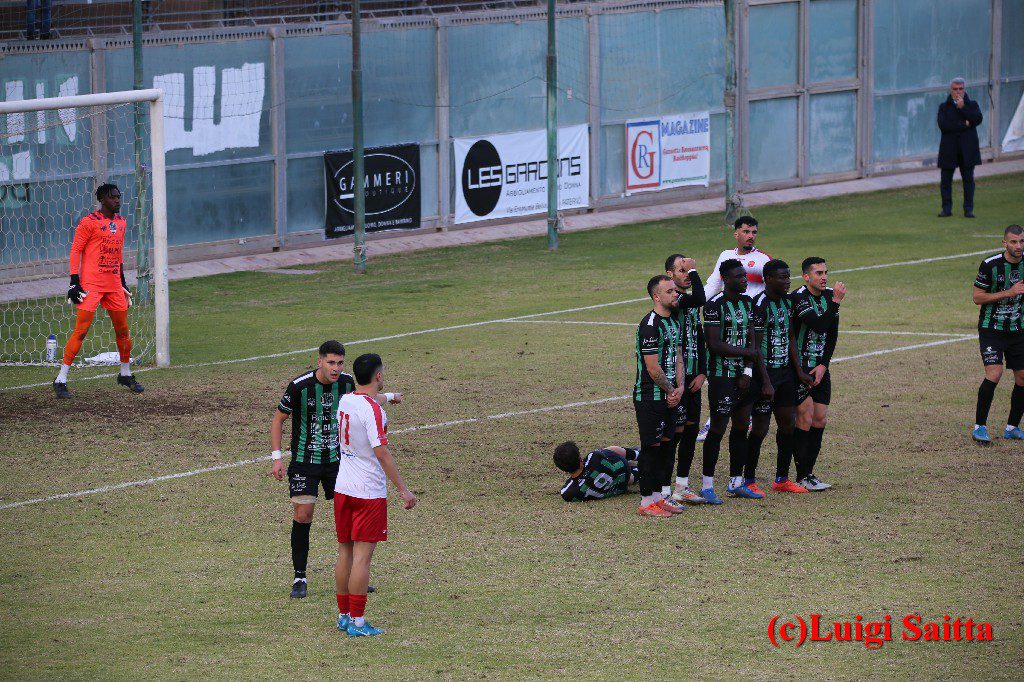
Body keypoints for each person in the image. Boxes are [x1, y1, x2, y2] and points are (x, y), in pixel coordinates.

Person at [270, 341, 401, 599]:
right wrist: (277, 458)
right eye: (331, 362)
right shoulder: (300, 386)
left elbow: (366, 398)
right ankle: (300, 577)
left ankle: (355, 577)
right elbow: (278, 420)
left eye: (340, 363)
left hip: (338, 462)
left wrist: (390, 396)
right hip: (305, 462)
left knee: (350, 516)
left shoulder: (347, 382)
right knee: (303, 515)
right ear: (319, 361)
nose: (336, 368)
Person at [333, 353, 417, 637]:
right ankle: (358, 622)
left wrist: (390, 396)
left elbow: (371, 399)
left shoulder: (346, 400)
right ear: (378, 376)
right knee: (362, 559)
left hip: (343, 488)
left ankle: (344, 615)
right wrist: (403, 490)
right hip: (368, 492)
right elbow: (382, 452)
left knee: (345, 552)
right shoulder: (373, 411)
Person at [53, 184, 142, 399]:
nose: (117, 200)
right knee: (81, 331)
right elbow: (76, 250)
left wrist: (122, 282)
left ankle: (125, 374)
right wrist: (74, 281)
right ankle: (60, 379)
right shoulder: (88, 222)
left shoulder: (121, 222)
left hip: (113, 285)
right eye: (112, 197)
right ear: (102, 199)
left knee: (123, 331)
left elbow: (118, 254)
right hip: (91, 285)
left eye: (119, 197)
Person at [702, 259, 770, 503]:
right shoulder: (713, 305)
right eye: (739, 277)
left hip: (744, 376)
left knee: (741, 427)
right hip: (722, 376)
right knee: (717, 430)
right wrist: (747, 353)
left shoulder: (747, 302)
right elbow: (714, 344)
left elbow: (752, 339)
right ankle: (707, 486)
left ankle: (736, 482)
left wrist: (748, 371)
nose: (744, 280)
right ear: (726, 279)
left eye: (745, 276)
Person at [699, 216, 772, 442]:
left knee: (748, 371)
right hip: (726, 322)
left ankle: (745, 415)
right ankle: (716, 418)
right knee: (723, 373)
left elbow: (773, 288)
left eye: (754, 232)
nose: (751, 236)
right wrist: (695, 302)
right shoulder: (725, 256)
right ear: (736, 233)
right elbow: (714, 283)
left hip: (751, 326)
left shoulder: (763, 260)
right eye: (746, 231)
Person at [749, 260, 812, 494]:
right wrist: (765, 382)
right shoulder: (759, 305)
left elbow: (791, 336)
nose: (787, 281)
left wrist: (799, 371)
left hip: (786, 374)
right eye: (782, 277)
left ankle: (781, 479)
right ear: (768, 279)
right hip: (765, 375)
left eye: (788, 276)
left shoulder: (788, 302)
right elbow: (755, 347)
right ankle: (748, 479)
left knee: (788, 426)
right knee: (760, 429)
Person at [632, 275, 686, 518]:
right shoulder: (650, 325)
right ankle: (646, 502)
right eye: (670, 291)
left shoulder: (673, 320)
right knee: (651, 449)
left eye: (675, 290)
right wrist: (671, 390)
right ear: (656, 296)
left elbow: (678, 356)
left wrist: (680, 388)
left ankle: (657, 498)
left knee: (665, 448)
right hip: (650, 397)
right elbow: (653, 369)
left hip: (671, 395)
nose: (676, 294)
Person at [791, 257, 846, 490]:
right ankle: (801, 475)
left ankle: (809, 473)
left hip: (820, 368)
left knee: (820, 418)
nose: (824, 277)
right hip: (799, 368)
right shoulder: (798, 298)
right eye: (818, 273)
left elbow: (831, 333)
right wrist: (836, 302)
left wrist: (824, 364)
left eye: (825, 272)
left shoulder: (829, 296)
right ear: (806, 276)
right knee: (805, 416)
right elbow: (818, 324)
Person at [971, 225, 1024, 444]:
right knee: (994, 373)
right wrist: (1008, 293)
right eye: (1013, 242)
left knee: (1022, 377)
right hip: (991, 329)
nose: (1018, 246)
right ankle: (979, 427)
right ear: (1004, 243)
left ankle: (1012, 427)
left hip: (1018, 329)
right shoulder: (990, 264)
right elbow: (977, 297)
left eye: (1022, 241)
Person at [663, 254, 708, 504]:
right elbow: (700, 298)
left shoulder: (689, 301)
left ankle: (682, 486)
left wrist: (702, 371)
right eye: (682, 270)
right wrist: (694, 271)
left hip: (693, 375)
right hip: (674, 376)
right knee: (673, 434)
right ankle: (663, 489)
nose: (687, 274)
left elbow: (699, 336)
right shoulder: (675, 300)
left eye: (688, 270)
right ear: (670, 275)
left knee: (690, 431)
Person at [937, 77, 983, 218]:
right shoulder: (944, 107)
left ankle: (968, 209)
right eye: (955, 89)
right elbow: (944, 126)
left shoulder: (972, 105)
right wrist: (964, 124)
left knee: (968, 180)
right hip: (949, 148)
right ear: (951, 90)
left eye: (960, 89)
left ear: (964, 89)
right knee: (946, 180)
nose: (958, 92)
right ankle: (946, 209)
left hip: (967, 149)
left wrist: (963, 108)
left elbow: (977, 119)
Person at [554, 442, 640, 501]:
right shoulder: (594, 457)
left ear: (562, 469)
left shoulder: (567, 493)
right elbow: (610, 453)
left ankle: (639, 471)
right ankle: (638, 455)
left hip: (619, 486)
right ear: (580, 458)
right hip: (622, 469)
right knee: (609, 450)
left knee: (624, 478)